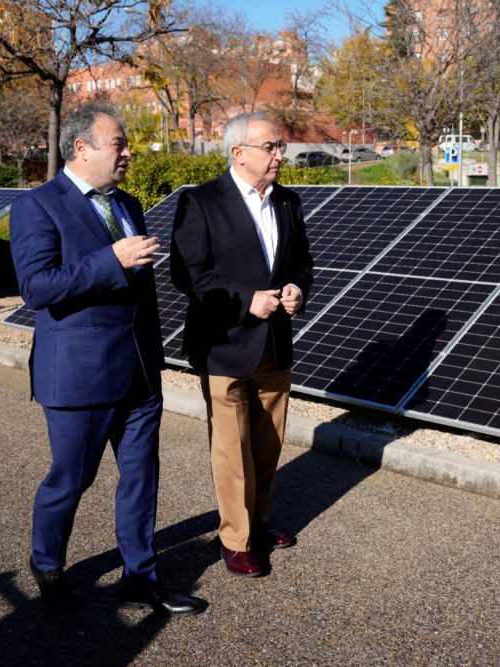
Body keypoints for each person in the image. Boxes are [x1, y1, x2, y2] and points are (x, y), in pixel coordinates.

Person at [10, 103, 206, 616]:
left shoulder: (129, 203)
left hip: (140, 369)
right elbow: (36, 288)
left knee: (142, 478)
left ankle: (141, 578)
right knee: (71, 478)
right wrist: (110, 260)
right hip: (79, 374)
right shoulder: (39, 206)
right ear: (81, 148)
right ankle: (47, 562)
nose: (128, 153)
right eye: (118, 144)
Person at [170, 112, 314, 577]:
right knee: (232, 449)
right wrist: (244, 301)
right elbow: (188, 274)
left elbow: (303, 262)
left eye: (279, 146)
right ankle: (235, 537)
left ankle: (259, 521)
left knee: (268, 442)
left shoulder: (288, 202)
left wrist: (295, 288)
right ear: (238, 153)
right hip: (225, 343)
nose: (279, 154)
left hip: (275, 343)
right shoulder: (202, 201)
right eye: (270, 147)